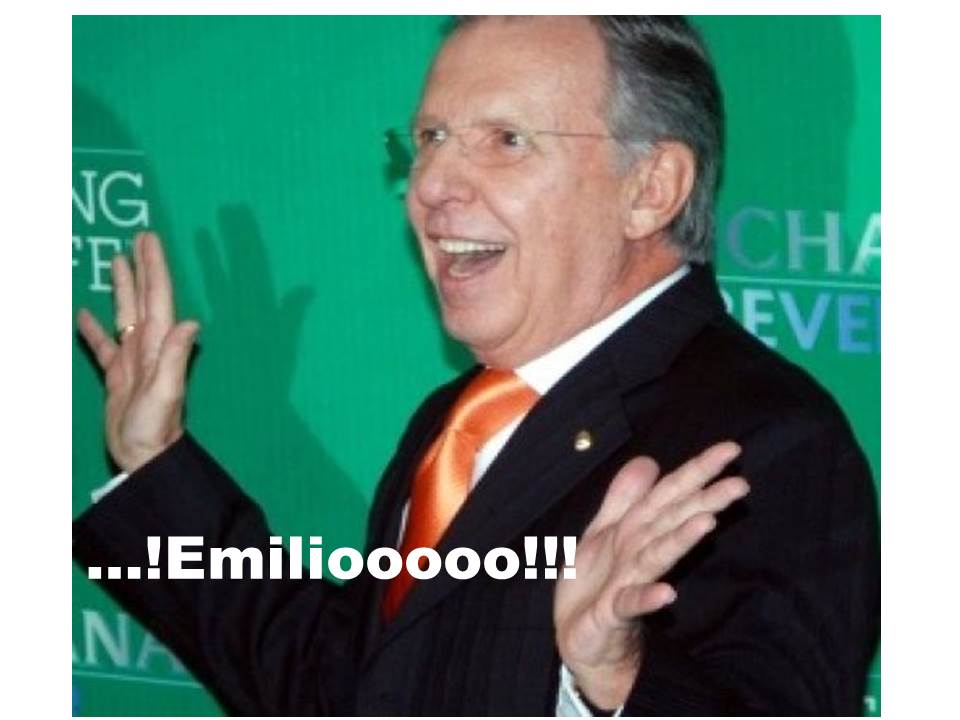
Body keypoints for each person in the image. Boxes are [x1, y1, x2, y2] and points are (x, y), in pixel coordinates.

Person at [73, 15, 879, 716]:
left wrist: (614, 681)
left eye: (506, 141)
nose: (429, 185)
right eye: (429, 139)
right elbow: (348, 689)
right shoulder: (459, 421)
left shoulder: (765, 444)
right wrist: (155, 464)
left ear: (651, 188)